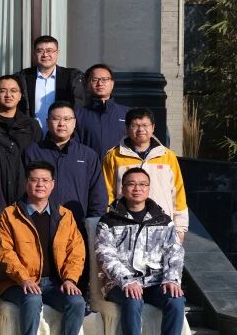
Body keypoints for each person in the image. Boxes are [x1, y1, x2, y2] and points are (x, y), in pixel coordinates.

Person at [0, 161, 89, 335]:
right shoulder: (10, 215)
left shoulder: (65, 216)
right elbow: (4, 253)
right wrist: (24, 278)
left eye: (45, 180)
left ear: (53, 184)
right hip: (17, 283)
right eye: (35, 180)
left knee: (77, 302)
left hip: (55, 283)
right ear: (26, 183)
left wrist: (70, 279)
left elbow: (76, 252)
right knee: (32, 298)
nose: (40, 184)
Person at [95, 168, 187, 335]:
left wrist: (172, 279)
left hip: (155, 282)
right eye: (131, 184)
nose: (137, 188)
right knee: (133, 298)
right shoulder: (109, 220)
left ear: (148, 189)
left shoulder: (162, 220)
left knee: (176, 300)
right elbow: (105, 255)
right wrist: (127, 280)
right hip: (119, 283)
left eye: (142, 184)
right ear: (123, 188)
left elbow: (174, 252)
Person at [101, 108, 189, 242]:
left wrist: (180, 227)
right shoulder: (114, 156)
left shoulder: (167, 156)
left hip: (162, 225)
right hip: (125, 226)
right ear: (127, 128)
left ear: (153, 127)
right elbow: (107, 193)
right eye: (135, 125)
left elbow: (178, 193)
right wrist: (110, 222)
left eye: (145, 125)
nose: (140, 129)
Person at [25, 102, 108, 220]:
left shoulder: (88, 155)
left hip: (77, 223)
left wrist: (94, 221)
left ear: (74, 123)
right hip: (39, 221)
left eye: (67, 119)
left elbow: (98, 194)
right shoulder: (33, 152)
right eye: (56, 119)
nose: (61, 124)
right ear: (48, 122)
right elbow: (22, 189)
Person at [16, 35, 86, 129]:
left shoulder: (72, 77)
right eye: (40, 51)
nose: (45, 55)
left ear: (57, 53)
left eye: (49, 51)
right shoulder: (23, 77)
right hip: (30, 133)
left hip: (63, 132)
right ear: (34, 54)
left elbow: (80, 107)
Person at [76, 63, 132, 157]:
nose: (100, 83)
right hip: (90, 165)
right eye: (95, 80)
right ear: (87, 85)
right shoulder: (78, 115)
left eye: (105, 79)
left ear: (112, 83)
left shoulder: (127, 114)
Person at [0, 75, 43, 152]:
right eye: (2, 91)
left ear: (20, 96)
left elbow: (36, 154)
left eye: (13, 91)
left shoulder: (31, 125)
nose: (8, 95)